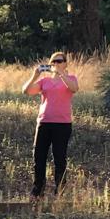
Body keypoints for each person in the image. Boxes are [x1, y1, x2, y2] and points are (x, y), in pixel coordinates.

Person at [23, 52, 78, 200]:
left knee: (59, 157)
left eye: (60, 61)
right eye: (54, 61)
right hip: (44, 122)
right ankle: (37, 190)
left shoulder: (70, 79)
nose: (56, 64)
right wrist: (35, 75)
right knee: (39, 156)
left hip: (62, 124)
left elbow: (74, 88)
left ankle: (60, 191)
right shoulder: (44, 81)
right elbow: (26, 91)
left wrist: (62, 74)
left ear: (65, 63)